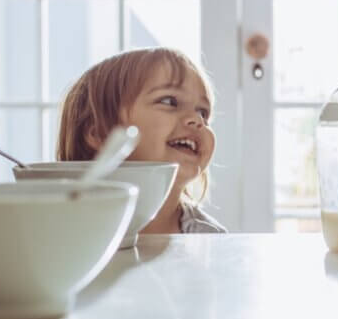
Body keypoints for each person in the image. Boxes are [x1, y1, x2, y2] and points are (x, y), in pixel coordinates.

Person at [57, 47, 227, 233]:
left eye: (203, 112)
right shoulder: (67, 230)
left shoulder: (211, 238)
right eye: (169, 102)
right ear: (100, 133)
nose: (197, 120)